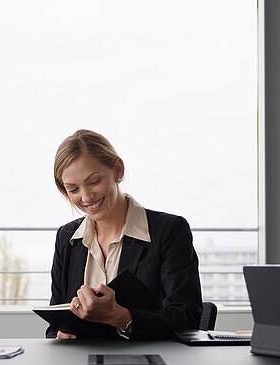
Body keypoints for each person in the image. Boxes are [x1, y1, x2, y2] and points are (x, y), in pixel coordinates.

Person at [48, 129, 203, 340]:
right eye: (73, 189)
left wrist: (121, 317)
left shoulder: (169, 231)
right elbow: (54, 323)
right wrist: (60, 334)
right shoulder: (67, 238)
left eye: (94, 182)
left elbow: (187, 319)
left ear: (118, 170)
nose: (86, 197)